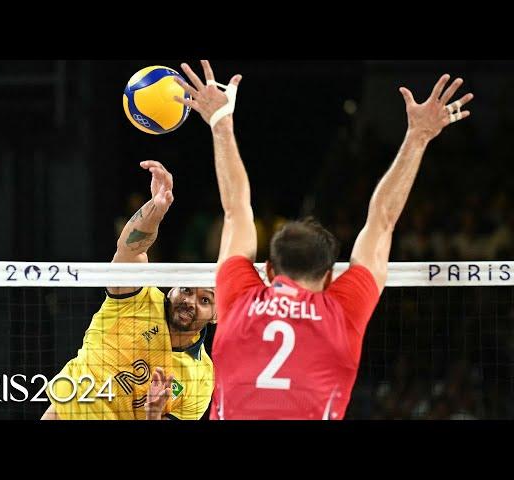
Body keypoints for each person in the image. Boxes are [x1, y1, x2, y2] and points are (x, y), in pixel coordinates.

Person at [175, 60, 473, 419]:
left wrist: (220, 122)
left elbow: (236, 209)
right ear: (331, 277)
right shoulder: (341, 313)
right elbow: (382, 220)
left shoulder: (238, 300)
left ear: (268, 269)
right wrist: (418, 137)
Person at [42, 161, 214, 420]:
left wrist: (154, 414)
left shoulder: (201, 376)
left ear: (216, 315)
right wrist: (156, 209)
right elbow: (130, 249)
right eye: (187, 289)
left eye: (204, 300)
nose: (190, 301)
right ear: (171, 290)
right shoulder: (137, 298)